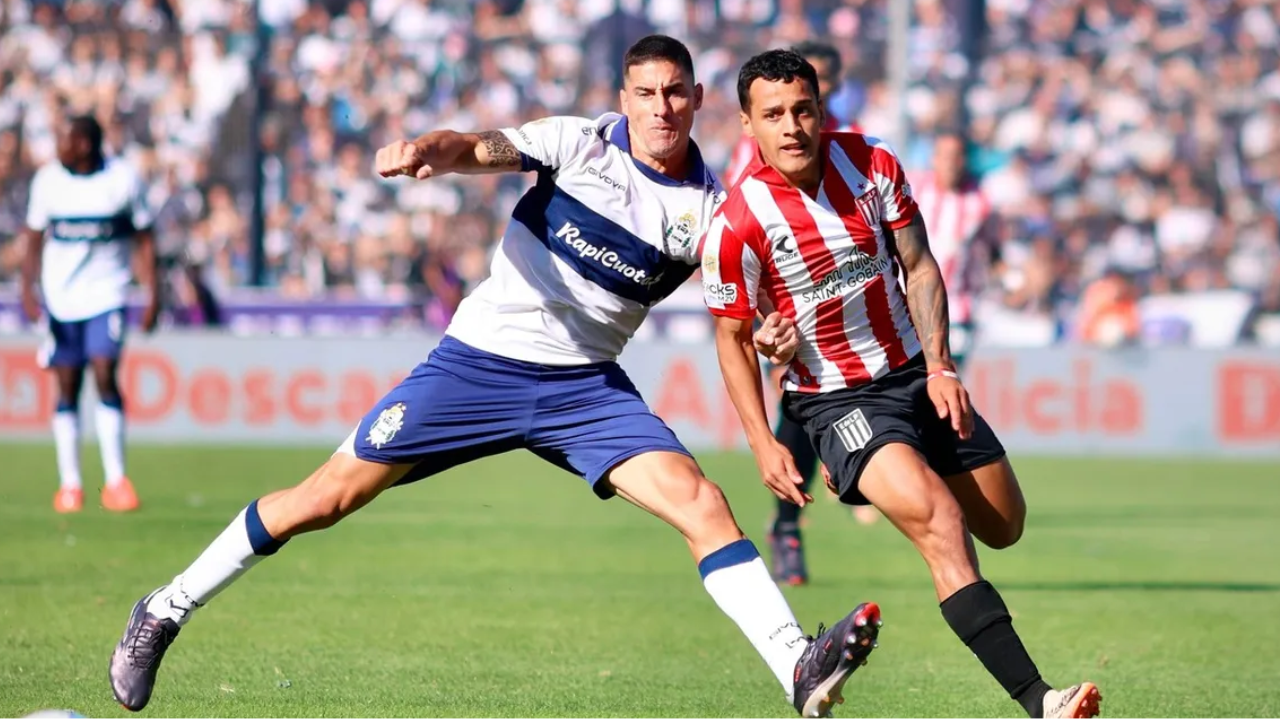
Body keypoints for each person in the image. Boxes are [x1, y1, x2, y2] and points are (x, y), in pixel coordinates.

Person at [107, 36, 880, 719]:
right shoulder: (579, 145)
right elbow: (476, 147)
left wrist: (777, 334)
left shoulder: (710, 214)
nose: (661, 107)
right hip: (478, 365)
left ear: (699, 100)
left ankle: (794, 665)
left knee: (703, 503)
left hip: (584, 389)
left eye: (675, 92)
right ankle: (166, 607)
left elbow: (753, 314)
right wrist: (425, 148)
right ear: (624, 99)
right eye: (645, 93)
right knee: (324, 499)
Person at [700, 49, 1102, 719]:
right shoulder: (738, 223)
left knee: (1003, 525)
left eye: (803, 110)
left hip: (916, 374)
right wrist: (763, 442)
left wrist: (942, 365)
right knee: (943, 526)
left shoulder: (872, 164)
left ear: (821, 110)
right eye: (774, 115)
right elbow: (734, 338)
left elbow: (918, 266)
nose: (792, 126)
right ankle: (1042, 701)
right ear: (749, 124)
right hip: (835, 400)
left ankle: (882, 467)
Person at [724, 41, 876, 588]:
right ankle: (790, 522)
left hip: (844, 290)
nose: (826, 91)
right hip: (781, 298)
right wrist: (765, 312)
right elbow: (741, 224)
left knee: (814, 402)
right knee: (803, 401)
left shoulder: (841, 135)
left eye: (828, 83)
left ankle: (827, 487)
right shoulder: (766, 143)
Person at [19, 115, 158, 514]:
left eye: (63, 138)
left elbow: (145, 237)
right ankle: (71, 486)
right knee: (67, 385)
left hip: (107, 294)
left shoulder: (122, 179)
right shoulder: (48, 181)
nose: (57, 145)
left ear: (83, 144)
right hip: (61, 300)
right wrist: (26, 291)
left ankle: (116, 481)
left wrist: (153, 294)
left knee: (103, 372)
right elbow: (33, 237)